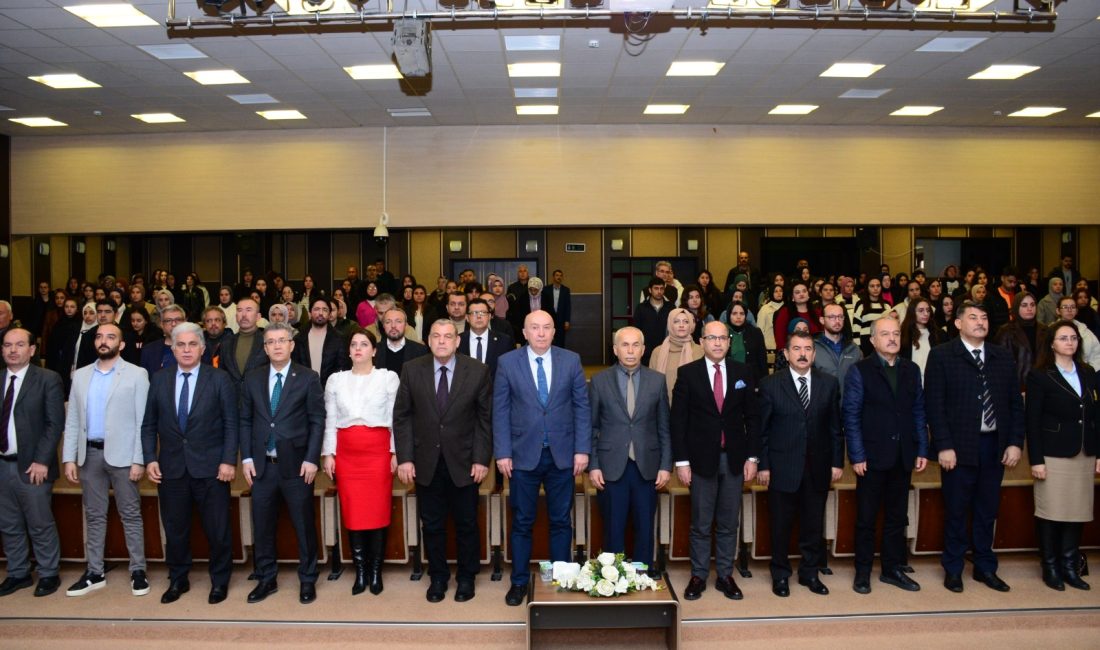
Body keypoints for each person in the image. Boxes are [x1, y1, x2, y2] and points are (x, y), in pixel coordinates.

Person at [924, 300, 1024, 593]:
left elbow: (1015, 405)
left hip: (995, 446)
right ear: (957, 323)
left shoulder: (1002, 356)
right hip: (958, 447)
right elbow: (934, 405)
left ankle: (984, 567)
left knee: (987, 510)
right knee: (956, 509)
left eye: (984, 317)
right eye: (972, 317)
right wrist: (943, 445)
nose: (980, 322)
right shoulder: (943, 356)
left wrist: (1015, 443)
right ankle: (953, 568)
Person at [493, 310, 591, 607]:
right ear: (524, 332)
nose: (541, 333)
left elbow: (581, 407)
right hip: (522, 455)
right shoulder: (507, 362)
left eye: (546, 327)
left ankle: (561, 580)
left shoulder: (570, 359)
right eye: (534, 328)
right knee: (523, 521)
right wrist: (503, 452)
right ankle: (519, 581)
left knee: (561, 521)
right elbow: (500, 410)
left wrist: (582, 449)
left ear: (554, 331)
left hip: (563, 455)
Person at [394, 320, 492, 603]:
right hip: (425, 461)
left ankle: (466, 577)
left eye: (448, 336)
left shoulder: (477, 371)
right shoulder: (412, 370)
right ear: (428, 340)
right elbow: (402, 416)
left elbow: (484, 420)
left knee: (466, 524)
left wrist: (481, 458)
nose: (441, 341)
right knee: (432, 525)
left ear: (457, 341)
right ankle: (437, 577)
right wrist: (405, 458)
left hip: (465, 462)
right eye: (436, 336)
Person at [140, 322, 238, 605]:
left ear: (202, 348)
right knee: (175, 529)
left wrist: (227, 460)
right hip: (171, 468)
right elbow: (149, 425)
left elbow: (231, 424)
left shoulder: (219, 379)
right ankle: (178, 579)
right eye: (180, 344)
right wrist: (149, 459)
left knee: (218, 530)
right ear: (172, 347)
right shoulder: (159, 379)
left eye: (192, 344)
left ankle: (219, 582)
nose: (186, 350)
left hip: (211, 468)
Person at [672, 321, 761, 601]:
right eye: (713, 338)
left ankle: (725, 575)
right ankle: (698, 575)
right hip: (700, 461)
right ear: (702, 341)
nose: (719, 343)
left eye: (723, 338)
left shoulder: (742, 372)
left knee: (728, 522)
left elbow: (753, 418)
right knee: (700, 522)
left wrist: (752, 457)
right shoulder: (687, 374)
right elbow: (678, 422)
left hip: (734, 459)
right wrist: (682, 462)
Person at [62, 322, 151, 597]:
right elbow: (74, 419)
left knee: (131, 514)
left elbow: (141, 421)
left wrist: (139, 459)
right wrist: (69, 458)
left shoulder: (137, 374)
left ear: (121, 344)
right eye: (99, 336)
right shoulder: (81, 375)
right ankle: (94, 572)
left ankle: (138, 570)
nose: (104, 341)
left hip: (124, 457)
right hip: (88, 456)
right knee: (94, 514)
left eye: (110, 337)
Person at [240, 322, 325, 605]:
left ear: (291, 345)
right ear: (264, 348)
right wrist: (247, 457)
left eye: (282, 340)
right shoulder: (252, 377)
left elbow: (317, 420)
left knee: (304, 525)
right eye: (271, 342)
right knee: (262, 526)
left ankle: (308, 578)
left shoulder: (308, 377)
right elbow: (245, 419)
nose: (276, 345)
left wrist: (312, 458)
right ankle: (266, 578)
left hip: (297, 465)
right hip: (262, 466)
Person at [843, 317, 928, 595]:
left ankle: (892, 569)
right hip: (871, 457)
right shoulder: (860, 370)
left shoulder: (912, 370)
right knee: (866, 519)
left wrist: (922, 448)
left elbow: (918, 412)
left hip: (903, 455)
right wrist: (856, 454)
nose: (892, 338)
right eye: (885, 334)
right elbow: (851, 415)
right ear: (872, 340)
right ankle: (863, 572)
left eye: (895, 333)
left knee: (896, 517)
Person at [757, 329, 842, 597]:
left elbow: (835, 428)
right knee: (780, 526)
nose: (802, 354)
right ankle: (780, 574)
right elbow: (762, 431)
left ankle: (809, 573)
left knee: (812, 526)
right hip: (783, 468)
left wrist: (837, 462)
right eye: (796, 349)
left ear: (814, 354)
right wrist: (764, 465)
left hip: (818, 467)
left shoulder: (829, 383)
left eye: (807, 349)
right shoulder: (771, 384)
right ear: (786, 353)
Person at [321, 330, 400, 597]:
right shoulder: (336, 380)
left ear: (374, 350)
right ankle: (360, 571)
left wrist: (395, 452)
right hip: (347, 455)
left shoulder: (387, 378)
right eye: (353, 344)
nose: (358, 348)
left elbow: (394, 419)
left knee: (377, 513)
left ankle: (376, 571)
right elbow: (330, 420)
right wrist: (328, 454)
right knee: (353, 513)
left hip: (377, 454)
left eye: (364, 344)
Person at [587, 326, 671, 571]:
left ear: (644, 349)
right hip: (611, 466)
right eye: (625, 345)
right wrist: (593, 465)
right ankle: (614, 577)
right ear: (615, 349)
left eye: (636, 345)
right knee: (614, 525)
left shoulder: (657, 380)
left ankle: (643, 573)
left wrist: (666, 465)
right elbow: (591, 427)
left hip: (647, 465)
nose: (631, 350)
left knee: (645, 524)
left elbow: (664, 427)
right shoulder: (600, 381)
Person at [1026, 321, 1099, 591]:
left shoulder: (1089, 372)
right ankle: (1051, 567)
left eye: (1074, 338)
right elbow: (1031, 421)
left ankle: (1070, 566)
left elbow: (1096, 416)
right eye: (1063, 338)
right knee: (1052, 511)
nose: (1070, 342)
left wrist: (1099, 452)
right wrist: (1036, 459)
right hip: (1052, 453)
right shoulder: (1040, 375)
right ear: (1052, 343)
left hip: (1083, 453)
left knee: (1077, 511)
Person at [0, 329, 66, 598]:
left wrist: (42, 460)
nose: (12, 350)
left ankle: (49, 573)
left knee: (40, 523)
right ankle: (18, 573)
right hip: (3, 464)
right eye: (7, 345)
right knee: (8, 524)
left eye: (19, 345)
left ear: (32, 349)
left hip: (33, 466)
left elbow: (54, 423)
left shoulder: (47, 379)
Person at [994, 292, 1045, 393]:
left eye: (1032, 305)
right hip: (1017, 386)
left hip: (1043, 384)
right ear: (1017, 307)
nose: (1029, 309)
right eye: (1024, 305)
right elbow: (1000, 364)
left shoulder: (1045, 330)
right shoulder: (1006, 331)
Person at [648, 308, 703, 400]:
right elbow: (651, 384)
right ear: (670, 324)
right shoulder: (657, 352)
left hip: (693, 408)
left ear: (691, 325)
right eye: (676, 321)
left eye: (686, 322)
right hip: (663, 407)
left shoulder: (700, 351)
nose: (681, 325)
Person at [292, 297, 347, 388]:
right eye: (316, 309)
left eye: (324, 310)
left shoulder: (339, 339)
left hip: (331, 391)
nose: (320, 313)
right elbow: (295, 367)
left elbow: (342, 368)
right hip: (304, 391)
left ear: (329, 314)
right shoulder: (299, 339)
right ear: (310, 313)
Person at [814, 303, 861, 397]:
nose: (837, 321)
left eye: (840, 317)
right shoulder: (812, 348)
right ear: (822, 320)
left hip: (849, 405)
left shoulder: (854, 349)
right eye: (832, 317)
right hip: (822, 406)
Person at [220, 298, 267, 390]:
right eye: (239, 310)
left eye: (249, 310)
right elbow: (222, 374)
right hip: (232, 397)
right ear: (236, 316)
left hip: (258, 397)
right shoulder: (226, 342)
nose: (244, 315)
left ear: (258, 316)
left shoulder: (267, 341)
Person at [458, 298, 513, 376]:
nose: (479, 316)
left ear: (489, 316)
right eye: (474, 313)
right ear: (467, 317)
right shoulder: (457, 340)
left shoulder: (504, 341)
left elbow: (509, 371)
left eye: (483, 312)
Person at [374, 307, 429, 377]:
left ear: (406, 325)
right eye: (388, 322)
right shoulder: (374, 350)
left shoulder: (420, 351)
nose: (393, 326)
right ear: (383, 326)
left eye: (398, 321)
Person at [633, 277, 673, 366]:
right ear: (650, 290)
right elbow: (636, 330)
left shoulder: (671, 307)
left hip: (666, 350)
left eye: (662, 288)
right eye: (656, 288)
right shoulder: (641, 308)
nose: (659, 291)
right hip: (646, 353)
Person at [899, 297, 943, 378]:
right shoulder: (903, 334)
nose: (926, 314)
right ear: (912, 312)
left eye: (928, 310)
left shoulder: (938, 333)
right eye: (921, 310)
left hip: (933, 378)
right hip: (911, 379)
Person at [1054, 296, 1100, 371]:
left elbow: (1097, 353)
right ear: (1058, 311)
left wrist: (1091, 370)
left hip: (1086, 371)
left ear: (1076, 311)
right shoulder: (1052, 330)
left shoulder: (1084, 330)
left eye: (1073, 307)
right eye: (1065, 307)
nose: (1069, 310)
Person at [725, 301, 767, 381]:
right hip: (729, 378)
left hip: (751, 379)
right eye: (734, 313)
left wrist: (763, 383)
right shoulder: (722, 333)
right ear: (728, 315)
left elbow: (762, 361)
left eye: (742, 313)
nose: (738, 317)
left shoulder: (755, 332)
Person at [140, 304, 185, 378]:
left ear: (184, 322)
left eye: (178, 320)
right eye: (168, 320)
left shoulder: (195, 348)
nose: (173, 324)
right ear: (161, 324)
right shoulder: (149, 350)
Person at [544, 269, 572, 349]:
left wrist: (567, 321)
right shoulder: (546, 289)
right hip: (549, 319)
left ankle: (560, 359)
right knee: (549, 339)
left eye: (560, 276)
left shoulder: (566, 290)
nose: (558, 277)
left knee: (560, 341)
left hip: (561, 319)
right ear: (553, 277)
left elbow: (568, 306)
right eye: (557, 275)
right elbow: (544, 305)